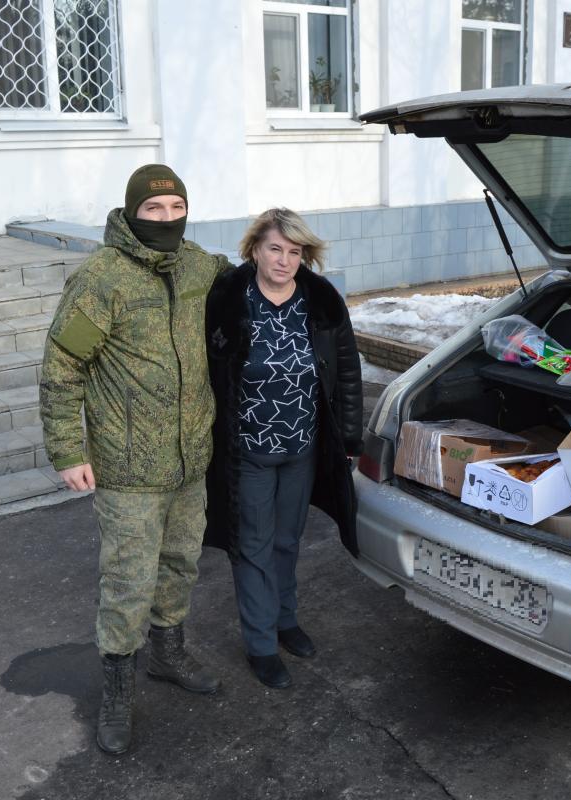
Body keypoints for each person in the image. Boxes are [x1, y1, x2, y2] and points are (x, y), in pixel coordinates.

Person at [40, 164, 232, 755]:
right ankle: (118, 688)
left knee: (179, 565)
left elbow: (254, 287)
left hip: (188, 462)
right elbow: (61, 368)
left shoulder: (200, 266)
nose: (167, 219)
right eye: (155, 210)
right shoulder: (100, 279)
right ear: (131, 213)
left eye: (176, 208)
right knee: (128, 581)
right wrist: (68, 451)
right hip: (127, 469)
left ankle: (167, 655)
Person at [204, 208, 363, 689]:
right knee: (251, 545)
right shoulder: (229, 299)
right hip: (247, 449)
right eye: (275, 248)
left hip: (303, 446)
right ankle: (260, 642)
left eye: (294, 252)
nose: (285, 260)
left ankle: (285, 620)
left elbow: (348, 373)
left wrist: (350, 440)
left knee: (288, 539)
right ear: (255, 249)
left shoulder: (321, 301)